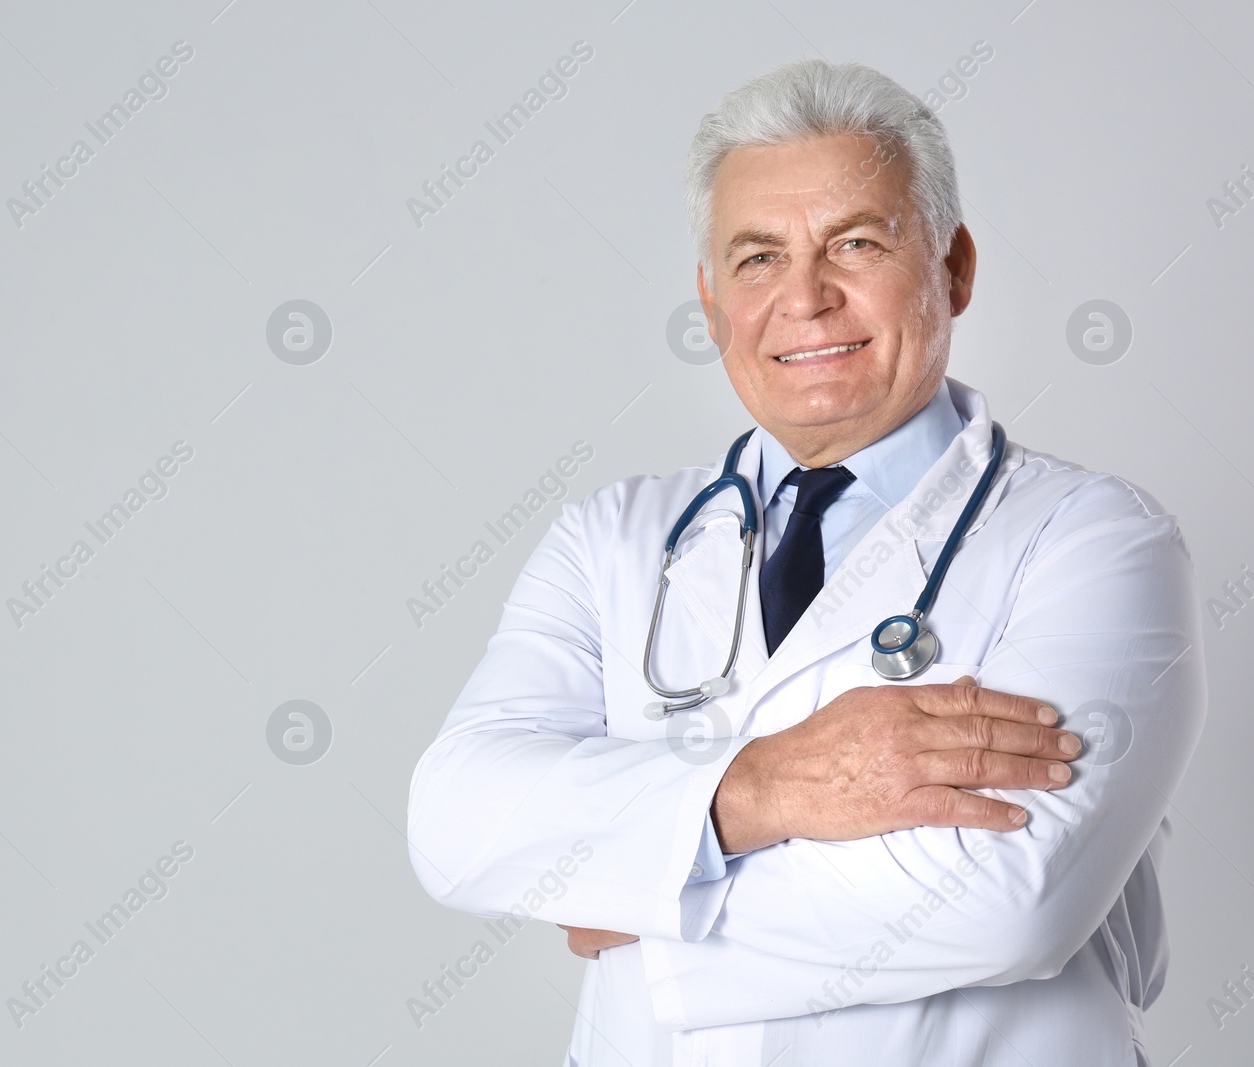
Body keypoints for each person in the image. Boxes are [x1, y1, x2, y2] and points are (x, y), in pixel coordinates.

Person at [406, 59, 1204, 1066]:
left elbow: (1011, 899)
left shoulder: (1093, 539)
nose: (805, 298)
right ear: (709, 300)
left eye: (855, 242)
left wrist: (635, 877)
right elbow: (457, 819)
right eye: (756, 258)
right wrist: (765, 789)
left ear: (952, 267)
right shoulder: (612, 537)